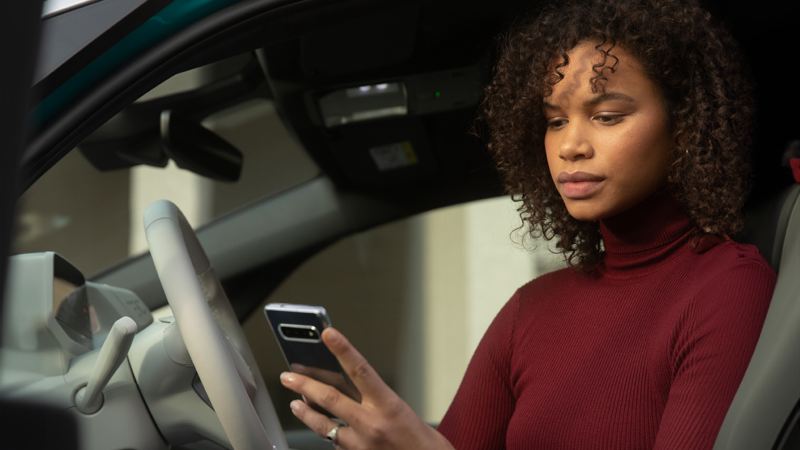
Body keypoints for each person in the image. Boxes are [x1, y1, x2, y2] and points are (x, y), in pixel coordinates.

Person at [278, 0, 777, 448]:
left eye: (606, 116)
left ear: (684, 124)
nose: (570, 145)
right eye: (555, 120)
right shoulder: (531, 310)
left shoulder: (727, 286)